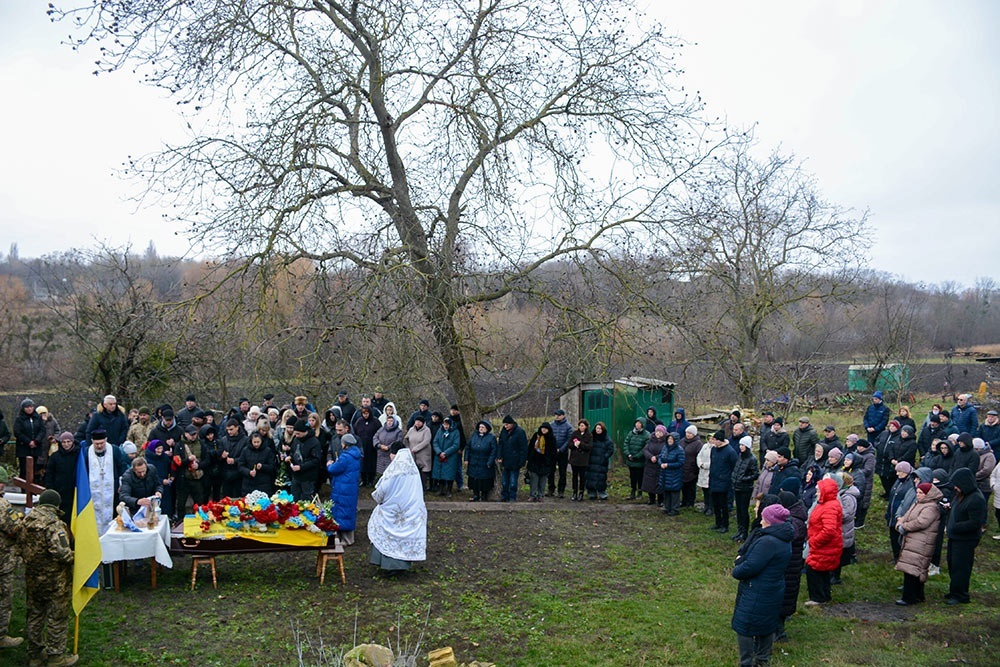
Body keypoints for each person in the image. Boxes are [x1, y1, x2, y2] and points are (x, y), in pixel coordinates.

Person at [19, 489, 77, 667]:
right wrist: (77, 556)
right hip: (55, 579)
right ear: (56, 505)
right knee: (56, 617)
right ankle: (55, 656)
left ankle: (34, 655)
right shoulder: (54, 524)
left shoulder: (26, 520)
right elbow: (62, 553)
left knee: (35, 614)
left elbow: (19, 544)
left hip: (32, 577)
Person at [730, 503, 792, 667]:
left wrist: (737, 569)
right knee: (766, 624)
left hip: (758, 590)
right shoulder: (784, 539)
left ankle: (747, 662)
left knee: (745, 625)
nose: (761, 520)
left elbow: (751, 566)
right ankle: (762, 661)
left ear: (770, 521)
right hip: (773, 589)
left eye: (764, 517)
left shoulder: (768, 542)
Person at [368, 443, 426, 573]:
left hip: (393, 512)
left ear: (395, 454)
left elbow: (382, 490)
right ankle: (403, 564)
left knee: (383, 526)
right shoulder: (414, 470)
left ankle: (389, 565)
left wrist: (377, 498)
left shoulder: (394, 471)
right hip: (412, 511)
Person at [894, 481, 942, 605]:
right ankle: (918, 595)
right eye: (917, 492)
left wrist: (904, 526)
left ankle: (909, 597)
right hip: (914, 541)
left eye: (921, 493)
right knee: (913, 569)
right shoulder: (919, 503)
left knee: (913, 570)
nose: (918, 495)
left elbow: (921, 522)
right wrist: (901, 522)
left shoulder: (931, 507)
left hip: (922, 543)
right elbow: (907, 515)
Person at [945, 467, 987, 604]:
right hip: (955, 538)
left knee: (961, 568)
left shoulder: (976, 499)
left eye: (957, 484)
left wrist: (955, 527)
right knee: (952, 564)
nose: (955, 488)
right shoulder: (961, 496)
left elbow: (975, 523)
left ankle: (961, 595)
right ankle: (954, 591)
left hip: (965, 540)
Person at [803, 477, 842, 606]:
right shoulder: (826, 504)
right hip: (823, 545)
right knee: (821, 571)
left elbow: (829, 530)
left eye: (819, 491)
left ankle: (818, 598)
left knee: (814, 570)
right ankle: (824, 596)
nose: (816, 493)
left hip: (823, 546)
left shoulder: (829, 507)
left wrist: (814, 541)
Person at [83, 429, 128, 536]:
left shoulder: (115, 450)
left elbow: (122, 467)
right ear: (92, 441)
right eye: (96, 444)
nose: (99, 446)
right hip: (93, 492)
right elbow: (83, 471)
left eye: (102, 443)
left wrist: (122, 483)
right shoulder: (86, 452)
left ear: (106, 440)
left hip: (113, 490)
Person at [776, 490, 807, 642]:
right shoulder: (796, 518)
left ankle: (780, 633)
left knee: (783, 598)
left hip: (789, 566)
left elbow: (787, 537)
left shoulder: (794, 522)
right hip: (791, 565)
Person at [0, 467, 24, 650]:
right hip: (3, 560)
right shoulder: (3, 506)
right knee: (3, 597)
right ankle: (1, 635)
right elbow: (15, 528)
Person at [327, 433, 361, 545]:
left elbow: (334, 469)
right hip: (350, 488)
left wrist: (329, 464)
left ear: (345, 444)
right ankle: (348, 538)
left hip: (342, 489)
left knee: (341, 512)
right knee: (348, 512)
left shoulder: (345, 457)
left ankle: (344, 539)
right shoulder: (356, 455)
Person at [44, 432, 81, 523]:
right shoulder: (55, 456)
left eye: (68, 441)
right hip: (60, 490)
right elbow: (49, 473)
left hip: (74, 490)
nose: (66, 444)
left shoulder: (79, 455)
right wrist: (50, 488)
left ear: (72, 442)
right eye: (63, 442)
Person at [709, 430, 738, 533]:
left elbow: (734, 466)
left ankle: (725, 525)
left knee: (723, 505)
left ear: (720, 441)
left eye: (715, 440)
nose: (713, 442)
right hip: (714, 480)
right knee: (716, 504)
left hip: (724, 482)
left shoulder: (730, 452)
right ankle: (718, 523)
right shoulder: (713, 450)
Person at [732, 436, 760, 541]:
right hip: (737, 486)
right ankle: (739, 530)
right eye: (740, 445)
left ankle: (744, 532)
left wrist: (744, 479)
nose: (740, 447)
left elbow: (755, 474)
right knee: (738, 510)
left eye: (743, 445)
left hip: (745, 488)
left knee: (744, 510)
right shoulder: (740, 456)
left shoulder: (752, 459)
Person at [467, 420, 499, 502]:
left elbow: (494, 450)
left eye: (483, 427)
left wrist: (490, 461)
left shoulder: (491, 437)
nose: (481, 429)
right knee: (474, 479)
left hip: (485, 462)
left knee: (484, 481)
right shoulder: (474, 435)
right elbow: (468, 447)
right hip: (474, 461)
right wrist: (466, 458)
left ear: (487, 429)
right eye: (480, 427)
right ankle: (475, 495)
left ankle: (484, 496)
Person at [290, 418, 322, 500]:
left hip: (308, 477)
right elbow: (293, 451)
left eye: (298, 433)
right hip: (296, 476)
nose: (296, 435)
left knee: (306, 500)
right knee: (294, 498)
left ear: (305, 432)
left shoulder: (314, 442)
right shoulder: (296, 440)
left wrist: (301, 467)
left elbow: (316, 460)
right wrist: (290, 457)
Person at [14, 398, 45, 480]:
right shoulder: (19, 419)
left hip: (36, 448)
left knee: (34, 470)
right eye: (27, 407)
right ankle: (24, 490)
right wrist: (28, 442)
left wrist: (36, 441)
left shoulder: (38, 418)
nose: (29, 409)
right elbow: (17, 432)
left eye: (31, 406)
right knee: (24, 471)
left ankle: (32, 490)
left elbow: (42, 430)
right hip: (23, 448)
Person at [431, 417, 462, 497]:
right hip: (439, 455)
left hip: (450, 456)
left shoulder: (455, 432)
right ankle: (441, 489)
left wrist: (446, 453)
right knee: (440, 473)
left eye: (447, 424)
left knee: (449, 474)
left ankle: (449, 490)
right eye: (444, 424)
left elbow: (456, 445)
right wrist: (439, 452)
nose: (446, 426)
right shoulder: (440, 431)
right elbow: (435, 442)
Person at [547, 409, 574, 498]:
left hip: (563, 453)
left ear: (563, 416)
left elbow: (569, 440)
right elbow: (548, 437)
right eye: (556, 415)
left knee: (562, 472)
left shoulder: (568, 427)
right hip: (552, 452)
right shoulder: (551, 425)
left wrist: (561, 449)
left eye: (559, 415)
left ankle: (561, 490)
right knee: (551, 471)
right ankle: (551, 489)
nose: (557, 416)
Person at [525, 422, 555, 502]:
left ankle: (541, 495)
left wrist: (550, 461)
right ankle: (533, 495)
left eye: (545, 429)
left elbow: (553, 452)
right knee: (534, 480)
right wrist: (529, 458)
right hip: (535, 461)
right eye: (542, 428)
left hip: (545, 462)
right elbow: (530, 447)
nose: (544, 430)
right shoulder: (536, 436)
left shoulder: (551, 438)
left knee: (543, 480)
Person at [657, 431, 685, 516]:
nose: (669, 440)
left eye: (671, 439)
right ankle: (667, 507)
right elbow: (660, 457)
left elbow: (681, 462)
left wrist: (668, 465)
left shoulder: (679, 450)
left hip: (674, 474)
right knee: (667, 490)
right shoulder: (665, 448)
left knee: (674, 492)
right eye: (669, 438)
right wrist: (660, 463)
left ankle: (675, 509)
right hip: (665, 473)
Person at [585, 422, 614, 500]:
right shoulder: (591, 437)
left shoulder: (606, 438)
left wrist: (605, 457)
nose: (598, 430)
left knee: (601, 478)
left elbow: (610, 449)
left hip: (601, 462)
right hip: (591, 461)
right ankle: (592, 493)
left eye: (600, 428)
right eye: (597, 428)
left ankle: (602, 492)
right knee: (590, 477)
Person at [403, 415, 433, 491]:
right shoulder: (411, 429)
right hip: (412, 453)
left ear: (423, 423)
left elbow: (426, 441)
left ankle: (423, 488)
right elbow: (406, 438)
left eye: (419, 422)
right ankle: (414, 488)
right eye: (416, 421)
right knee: (414, 470)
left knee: (424, 471)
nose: (418, 423)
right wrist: (407, 447)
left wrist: (416, 448)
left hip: (423, 453)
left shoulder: (427, 430)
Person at [623, 419, 650, 500]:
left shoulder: (646, 435)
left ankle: (640, 492)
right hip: (631, 460)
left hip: (640, 461)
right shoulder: (631, 433)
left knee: (640, 477)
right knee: (632, 477)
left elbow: (646, 448)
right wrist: (628, 454)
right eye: (636, 423)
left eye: (639, 423)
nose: (637, 425)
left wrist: (637, 456)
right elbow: (626, 444)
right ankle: (632, 491)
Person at [567, 419, 593, 502]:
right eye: (579, 425)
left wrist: (580, 444)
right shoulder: (575, 433)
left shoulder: (589, 435)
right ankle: (574, 492)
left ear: (586, 426)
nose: (581, 427)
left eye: (582, 425)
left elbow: (589, 447)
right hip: (574, 458)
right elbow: (569, 444)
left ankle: (581, 492)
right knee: (574, 476)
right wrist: (574, 445)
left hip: (583, 459)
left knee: (582, 477)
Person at [642, 426, 668, 506]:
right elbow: (645, 450)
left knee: (659, 482)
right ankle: (651, 498)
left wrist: (656, 457)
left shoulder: (666, 442)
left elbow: (666, 452)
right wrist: (650, 457)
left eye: (660, 432)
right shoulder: (650, 440)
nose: (658, 434)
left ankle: (661, 500)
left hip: (660, 465)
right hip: (650, 465)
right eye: (657, 432)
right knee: (650, 483)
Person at [680, 425, 702, 508]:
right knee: (684, 487)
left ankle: (691, 502)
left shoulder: (698, 443)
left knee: (691, 487)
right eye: (687, 433)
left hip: (692, 469)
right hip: (682, 467)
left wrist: (695, 468)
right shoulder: (682, 441)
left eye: (690, 433)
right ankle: (684, 501)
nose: (688, 435)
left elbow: (699, 455)